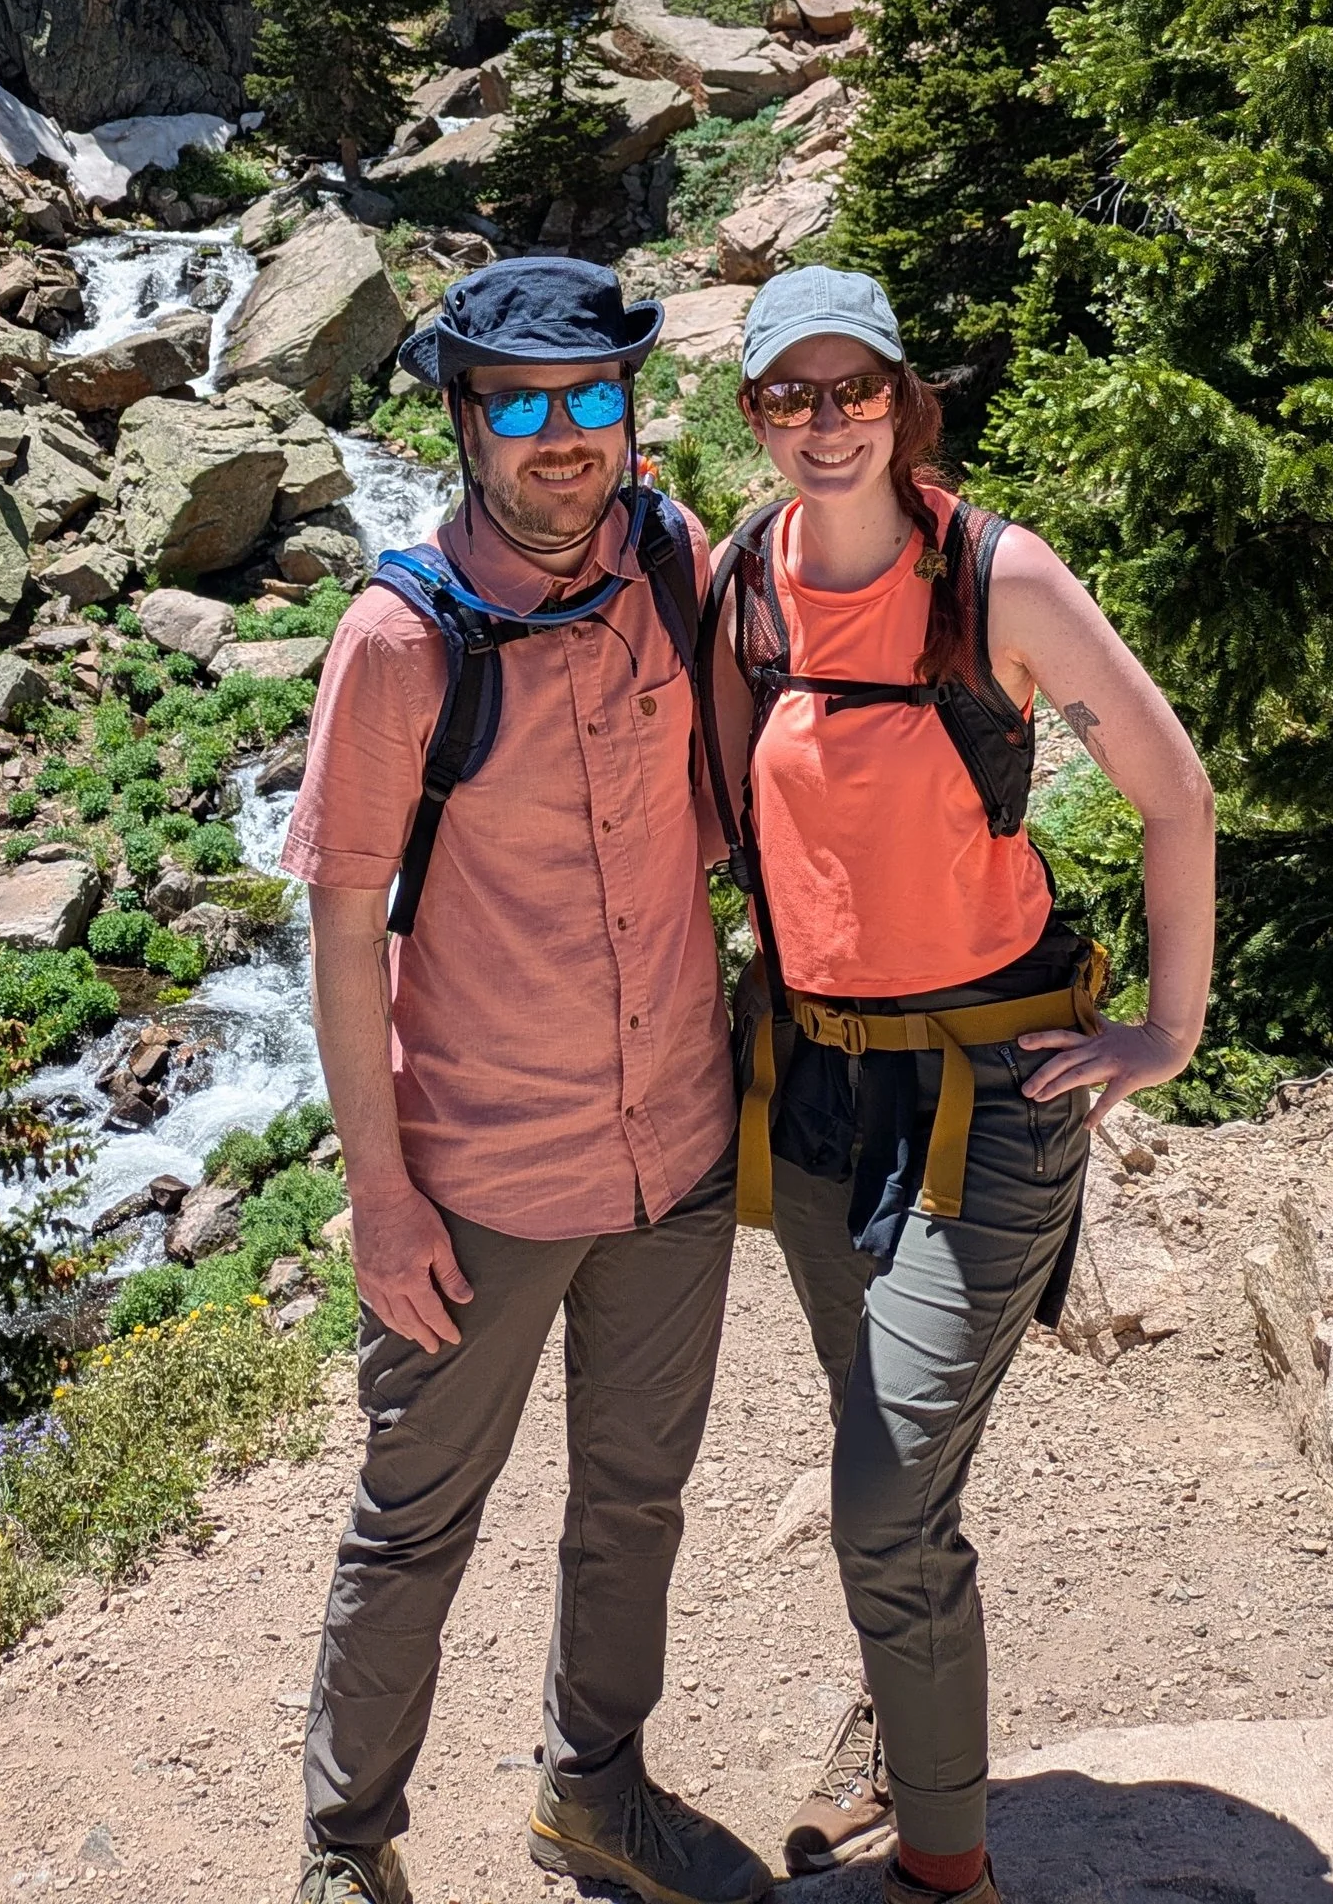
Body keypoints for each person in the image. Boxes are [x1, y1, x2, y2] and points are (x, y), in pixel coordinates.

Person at [698, 265, 1217, 1904]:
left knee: (875, 1494)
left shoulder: (999, 577)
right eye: (790, 396)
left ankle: (946, 1868)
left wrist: (1167, 1032)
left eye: (855, 389)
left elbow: (1176, 794)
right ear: (754, 413)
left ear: (903, 400)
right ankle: (899, 1710)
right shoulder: (745, 582)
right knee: (890, 1458)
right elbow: (720, 821)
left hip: (991, 1090)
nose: (825, 422)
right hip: (816, 1094)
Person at [280, 255, 774, 1904]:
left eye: (592, 398)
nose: (563, 436)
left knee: (635, 1501)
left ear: (631, 411)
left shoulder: (671, 558)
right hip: (479, 1174)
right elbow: (344, 934)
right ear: (466, 424)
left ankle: (594, 1792)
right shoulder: (398, 641)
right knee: (414, 1523)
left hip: (674, 1146)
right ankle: (347, 1850)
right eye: (521, 407)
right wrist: (377, 1196)